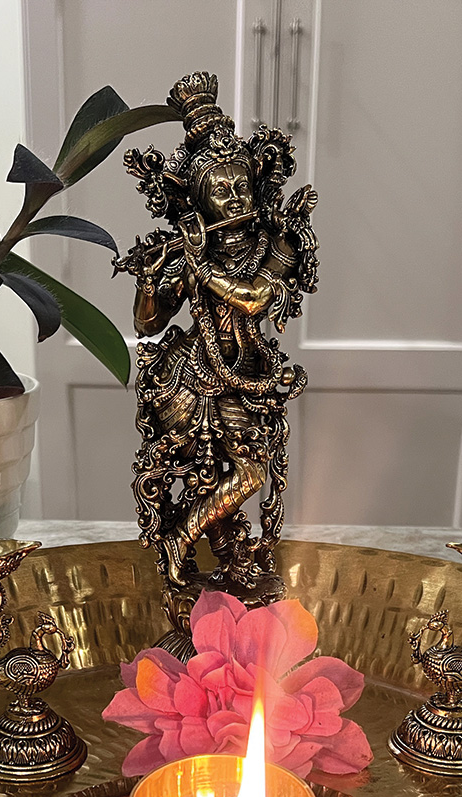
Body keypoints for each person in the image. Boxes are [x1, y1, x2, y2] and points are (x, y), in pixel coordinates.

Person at [117, 71, 318, 649]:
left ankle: (185, 540)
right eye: (218, 187)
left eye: (239, 183)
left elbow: (254, 298)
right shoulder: (189, 249)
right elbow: (148, 323)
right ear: (198, 198)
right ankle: (207, 562)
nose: (233, 197)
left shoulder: (275, 243)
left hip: (248, 376)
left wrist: (199, 264)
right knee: (218, 471)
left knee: (248, 475)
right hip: (192, 374)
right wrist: (153, 276)